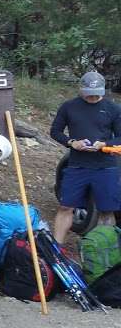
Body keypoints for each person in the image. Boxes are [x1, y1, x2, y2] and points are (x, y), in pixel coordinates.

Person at [49, 71, 121, 243]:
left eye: (97, 95)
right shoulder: (69, 107)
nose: (93, 98)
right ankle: (55, 250)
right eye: (89, 95)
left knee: (106, 211)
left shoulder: (113, 109)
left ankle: (104, 252)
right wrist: (72, 142)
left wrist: (105, 145)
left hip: (105, 166)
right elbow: (55, 132)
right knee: (66, 206)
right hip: (77, 166)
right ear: (81, 89)